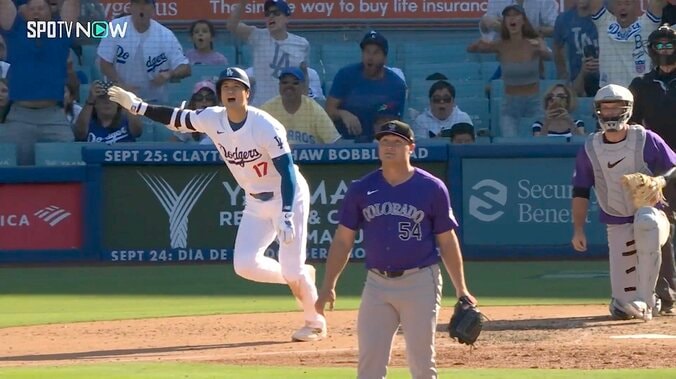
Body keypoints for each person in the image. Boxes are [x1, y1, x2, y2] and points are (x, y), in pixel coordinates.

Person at [107, 67, 326, 341]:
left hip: (287, 196)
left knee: (291, 267)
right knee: (245, 265)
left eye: (236, 87)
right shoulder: (213, 118)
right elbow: (176, 117)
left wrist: (285, 213)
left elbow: (288, 172)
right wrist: (137, 106)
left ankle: (314, 321)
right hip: (255, 202)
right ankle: (300, 277)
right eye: (225, 88)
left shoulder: (265, 125)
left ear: (247, 93)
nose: (230, 92)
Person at [315, 120, 476, 378]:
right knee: (369, 364)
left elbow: (447, 240)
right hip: (377, 284)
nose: (389, 146)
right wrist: (328, 285)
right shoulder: (361, 189)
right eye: (384, 141)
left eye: (397, 142)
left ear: (411, 147)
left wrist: (462, 289)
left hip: (420, 280)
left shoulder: (431, 187)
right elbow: (343, 241)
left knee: (422, 363)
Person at [571, 84, 676, 320]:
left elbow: (674, 166)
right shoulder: (590, 147)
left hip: (652, 213)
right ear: (598, 111)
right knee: (623, 307)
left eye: (616, 107)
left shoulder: (646, 138)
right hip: (617, 221)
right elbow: (580, 190)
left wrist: (660, 180)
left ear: (628, 109)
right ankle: (629, 300)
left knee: (646, 221)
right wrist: (578, 229)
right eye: (605, 108)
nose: (610, 113)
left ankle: (647, 297)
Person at [629, 24, 676, 315]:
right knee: (662, 229)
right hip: (659, 169)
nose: (666, 50)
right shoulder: (641, 85)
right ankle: (667, 293)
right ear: (651, 50)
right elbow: (632, 127)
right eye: (659, 45)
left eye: (670, 44)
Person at [0, 0, 79, 165]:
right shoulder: (14, 32)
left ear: (50, 11)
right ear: (25, 12)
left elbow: (72, 4)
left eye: (41, 8)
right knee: (11, 170)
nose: (36, 12)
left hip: (54, 116)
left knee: (70, 166)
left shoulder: (61, 32)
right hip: (19, 116)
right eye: (32, 9)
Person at [468, 4, 552, 137]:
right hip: (510, 104)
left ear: (523, 20)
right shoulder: (501, 44)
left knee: (538, 143)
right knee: (511, 143)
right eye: (508, 16)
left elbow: (548, 56)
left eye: (516, 15)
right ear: (504, 22)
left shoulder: (534, 42)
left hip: (534, 102)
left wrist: (541, 48)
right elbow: (471, 49)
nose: (512, 19)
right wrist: (481, 39)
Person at [97, 0, 191, 103]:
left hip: (154, 103)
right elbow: (105, 64)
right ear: (131, 7)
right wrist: (122, 87)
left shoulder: (165, 35)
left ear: (153, 9)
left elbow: (185, 68)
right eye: (137, 3)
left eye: (146, 3)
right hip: (120, 100)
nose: (141, 7)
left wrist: (170, 73)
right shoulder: (116, 26)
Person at [325, 30, 407, 142]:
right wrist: (343, 114)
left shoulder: (397, 85)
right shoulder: (345, 75)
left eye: (376, 52)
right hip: (344, 142)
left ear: (385, 57)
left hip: (380, 143)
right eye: (367, 52)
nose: (370, 57)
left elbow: (395, 122)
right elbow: (329, 110)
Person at [228, 0, 310, 106]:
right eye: (267, 14)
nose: (271, 17)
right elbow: (232, 26)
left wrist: (304, 104)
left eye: (276, 13)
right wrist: (244, 2)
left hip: (289, 108)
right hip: (262, 108)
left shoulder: (302, 44)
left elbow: (304, 77)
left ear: (287, 18)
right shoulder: (257, 36)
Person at [589, 0, 665, 88]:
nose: (623, 7)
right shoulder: (604, 23)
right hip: (610, 92)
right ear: (613, 7)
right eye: (619, 4)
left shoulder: (648, 24)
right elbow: (594, 5)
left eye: (627, 3)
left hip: (642, 91)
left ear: (636, 6)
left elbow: (657, 3)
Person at [261, 67, 340, 145]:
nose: (289, 86)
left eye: (295, 83)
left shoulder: (314, 110)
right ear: (279, 85)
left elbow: (334, 142)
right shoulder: (268, 109)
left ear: (303, 86)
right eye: (285, 83)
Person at [552, 0, 600, 97]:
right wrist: (563, 73)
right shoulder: (564, 20)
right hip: (577, 81)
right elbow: (556, 46)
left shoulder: (607, 15)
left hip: (606, 78)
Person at [75, 80, 142, 143]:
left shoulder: (127, 121)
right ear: (95, 104)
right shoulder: (88, 123)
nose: (107, 102)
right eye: (102, 98)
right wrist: (90, 100)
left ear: (118, 104)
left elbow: (137, 131)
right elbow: (80, 134)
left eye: (111, 98)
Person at [172, 80, 217, 144]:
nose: (204, 101)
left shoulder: (223, 121)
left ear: (214, 102)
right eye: (199, 97)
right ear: (194, 102)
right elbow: (171, 144)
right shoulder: (187, 122)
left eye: (209, 97)